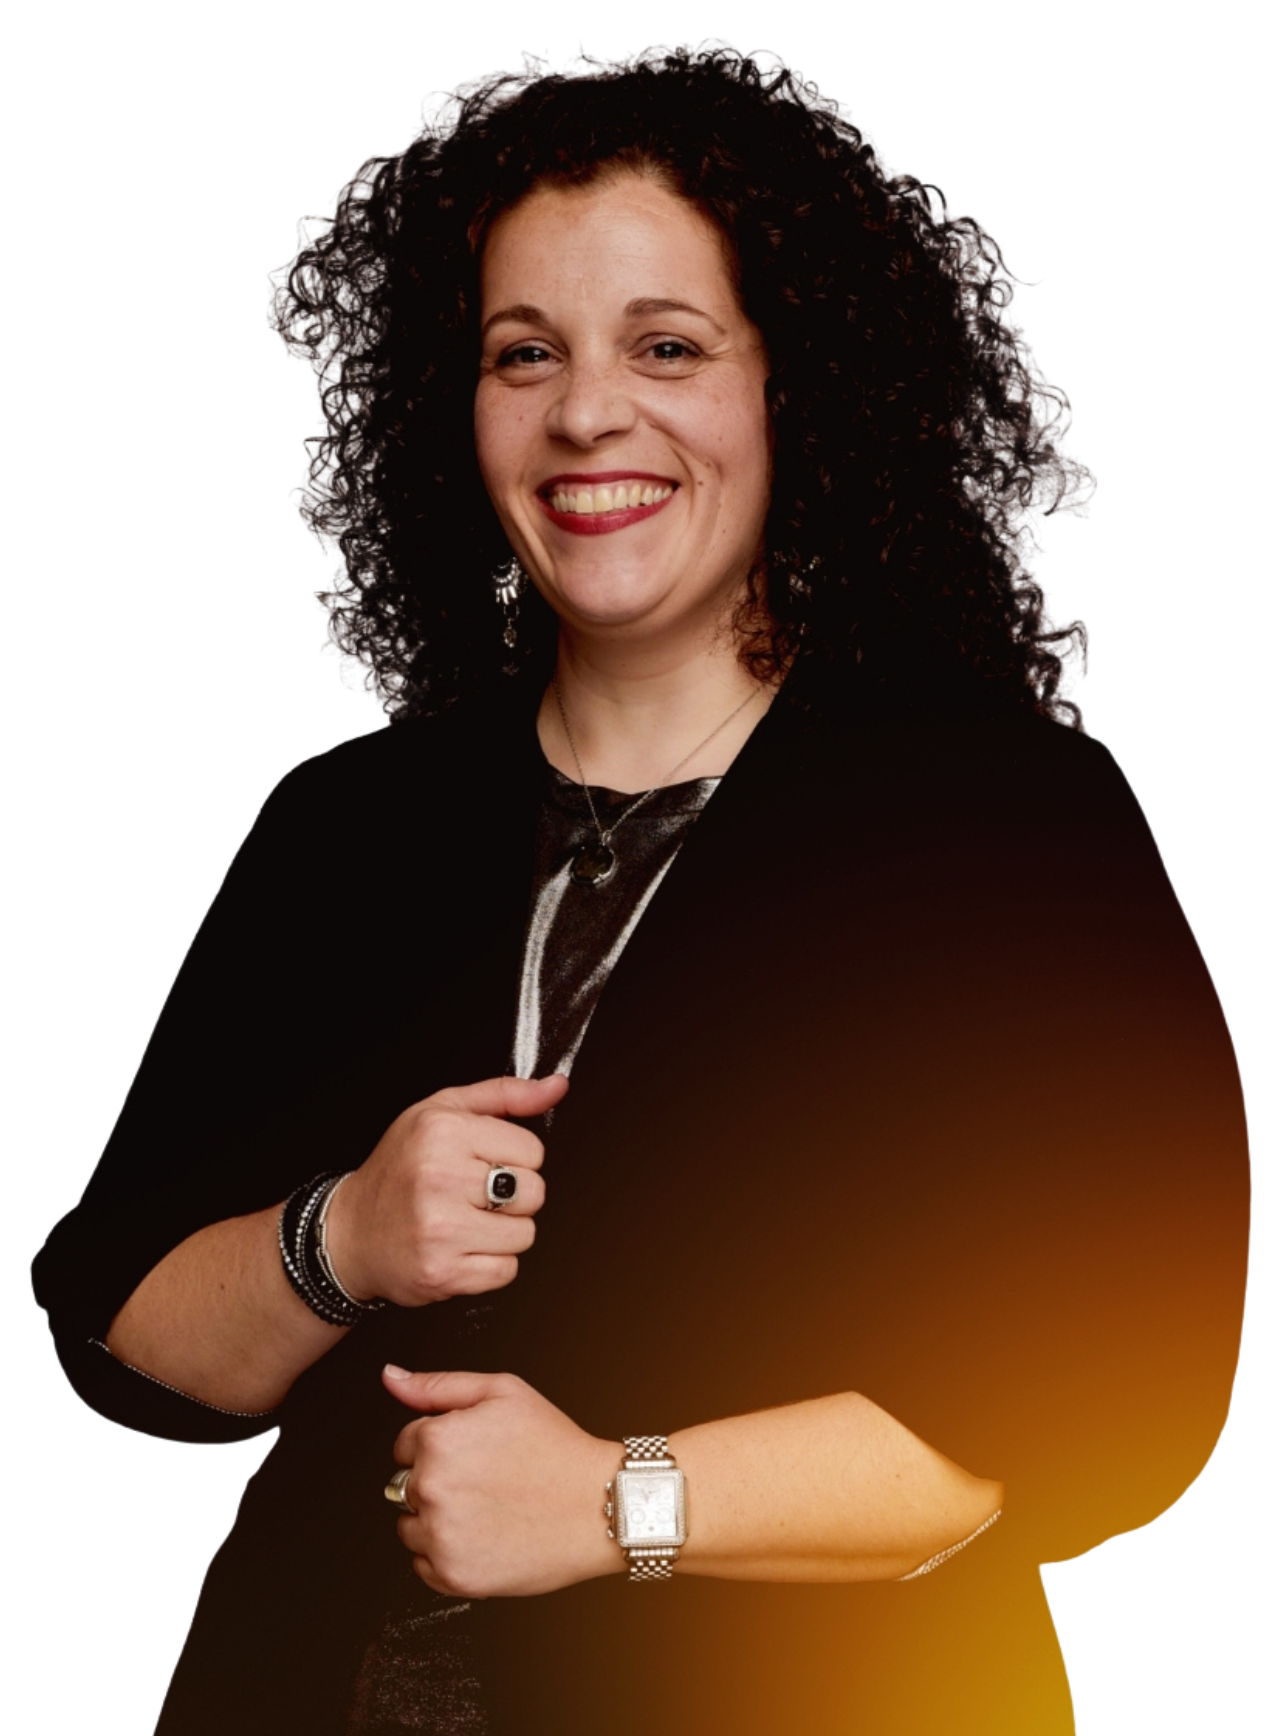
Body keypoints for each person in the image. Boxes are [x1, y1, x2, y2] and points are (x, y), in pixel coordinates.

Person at [32, 46, 1248, 1736]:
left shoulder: (1004, 826)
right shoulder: (351, 824)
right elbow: (122, 1330)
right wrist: (346, 1239)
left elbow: (1116, 1398)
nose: (586, 411)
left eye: (666, 347)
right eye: (523, 354)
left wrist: (620, 1502)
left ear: (793, 390)